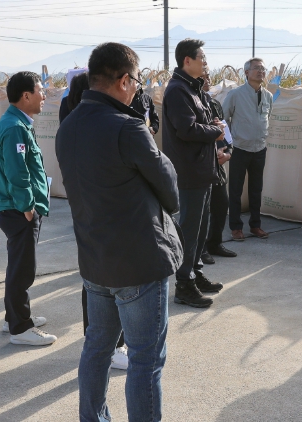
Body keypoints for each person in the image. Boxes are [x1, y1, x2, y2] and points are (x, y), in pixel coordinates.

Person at [56, 42, 183, 421]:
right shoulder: (128, 128)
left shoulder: (68, 127)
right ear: (125, 81)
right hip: (139, 263)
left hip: (95, 261)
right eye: (138, 82)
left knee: (96, 348)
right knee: (146, 359)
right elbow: (170, 189)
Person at [58, 72, 128, 371]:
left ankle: (103, 343)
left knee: (96, 280)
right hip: (102, 215)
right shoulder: (97, 125)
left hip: (87, 214)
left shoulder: (72, 124)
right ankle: (109, 346)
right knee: (105, 283)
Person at [0, 71, 56, 345]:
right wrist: (28, 206)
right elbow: (18, 173)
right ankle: (20, 329)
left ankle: (13, 317)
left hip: (15, 207)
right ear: (26, 95)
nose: (44, 96)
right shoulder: (15, 127)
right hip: (18, 209)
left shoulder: (17, 123)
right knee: (23, 269)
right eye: (41, 91)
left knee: (18, 266)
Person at [163, 38, 225, 308]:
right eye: (203, 58)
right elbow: (186, 130)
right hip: (190, 170)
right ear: (187, 61)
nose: (206, 63)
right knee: (189, 229)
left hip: (203, 168)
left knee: (200, 228)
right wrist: (215, 131)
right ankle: (184, 284)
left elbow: (200, 123)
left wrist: (212, 124)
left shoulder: (193, 88)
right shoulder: (178, 91)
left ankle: (195, 272)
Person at [222, 57, 272, 242]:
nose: (261, 71)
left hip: (259, 148)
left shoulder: (268, 96)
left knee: (256, 189)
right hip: (240, 148)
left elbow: (268, 117)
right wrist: (229, 142)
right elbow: (224, 119)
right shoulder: (236, 94)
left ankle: (255, 225)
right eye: (256, 68)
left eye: (263, 69)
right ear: (247, 73)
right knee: (235, 189)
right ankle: (236, 227)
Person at [199, 74, 236, 264]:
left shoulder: (214, 104)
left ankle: (215, 243)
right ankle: (200, 249)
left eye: (208, 76)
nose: (207, 79)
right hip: (201, 165)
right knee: (201, 211)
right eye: (202, 76)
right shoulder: (190, 105)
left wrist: (228, 153)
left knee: (221, 205)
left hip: (218, 167)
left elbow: (226, 135)